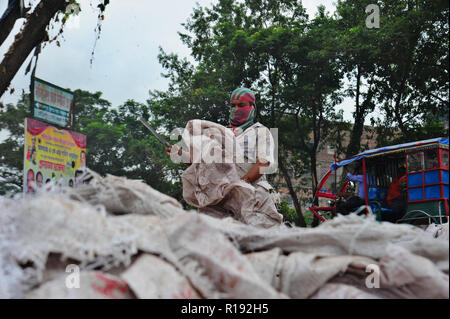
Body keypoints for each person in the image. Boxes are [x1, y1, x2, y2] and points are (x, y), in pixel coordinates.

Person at [165, 87, 283, 228]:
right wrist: (181, 155)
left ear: (252, 107)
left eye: (241, 105)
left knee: (258, 239)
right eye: (233, 105)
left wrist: (239, 185)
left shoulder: (261, 132)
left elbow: (264, 163)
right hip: (220, 200)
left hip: (252, 197)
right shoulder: (221, 133)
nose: (236, 109)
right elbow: (204, 165)